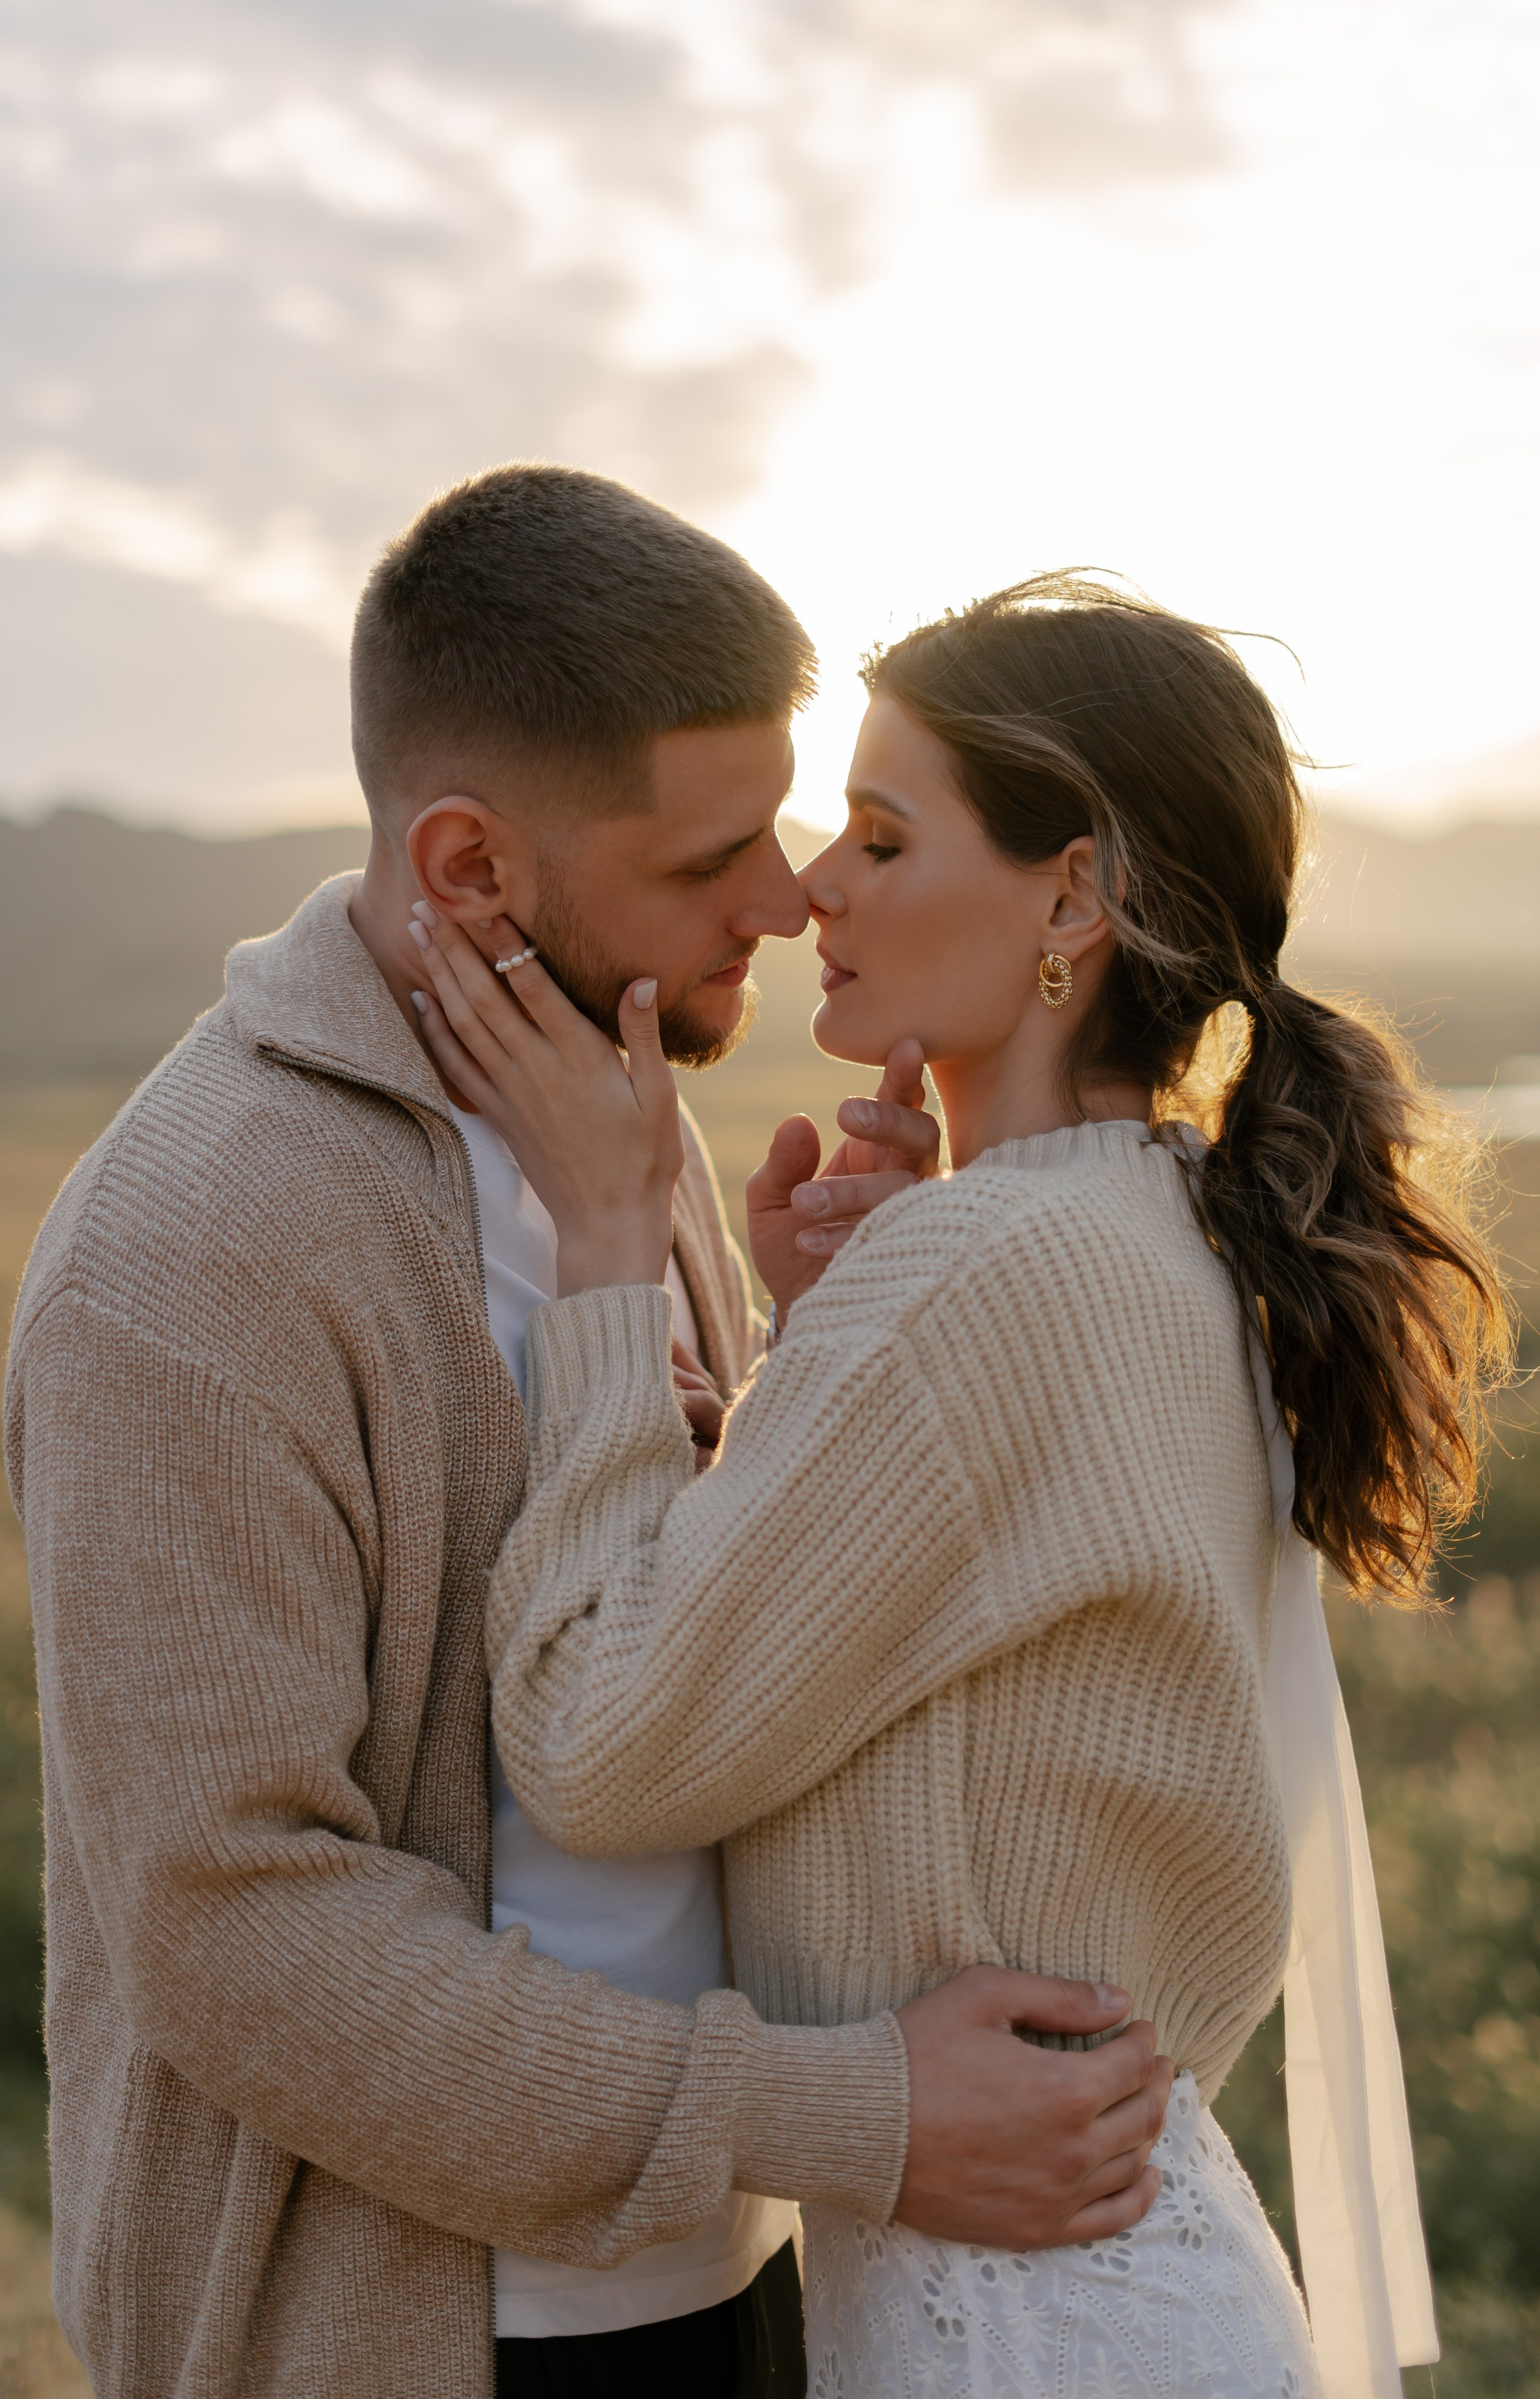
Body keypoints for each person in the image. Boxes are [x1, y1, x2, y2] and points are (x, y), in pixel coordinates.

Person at [6, 479, 1175, 2399]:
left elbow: (630, 1653)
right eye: (715, 851)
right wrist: (849, 2112)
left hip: (732, 2286)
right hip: (412, 2339)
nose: (792, 897)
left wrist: (805, 1359)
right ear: (470, 868)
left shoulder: (616, 1105)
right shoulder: (187, 1258)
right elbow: (241, 1936)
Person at [406, 572, 1510, 2398]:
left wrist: (609, 1258)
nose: (816, 885)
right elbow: (937, 1686)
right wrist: (802, 1370)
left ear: (1071, 894)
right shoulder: (1168, 1232)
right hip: (1117, 2286)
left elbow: (602, 1743)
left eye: (883, 833)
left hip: (1017, 2329)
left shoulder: (982, 1273)